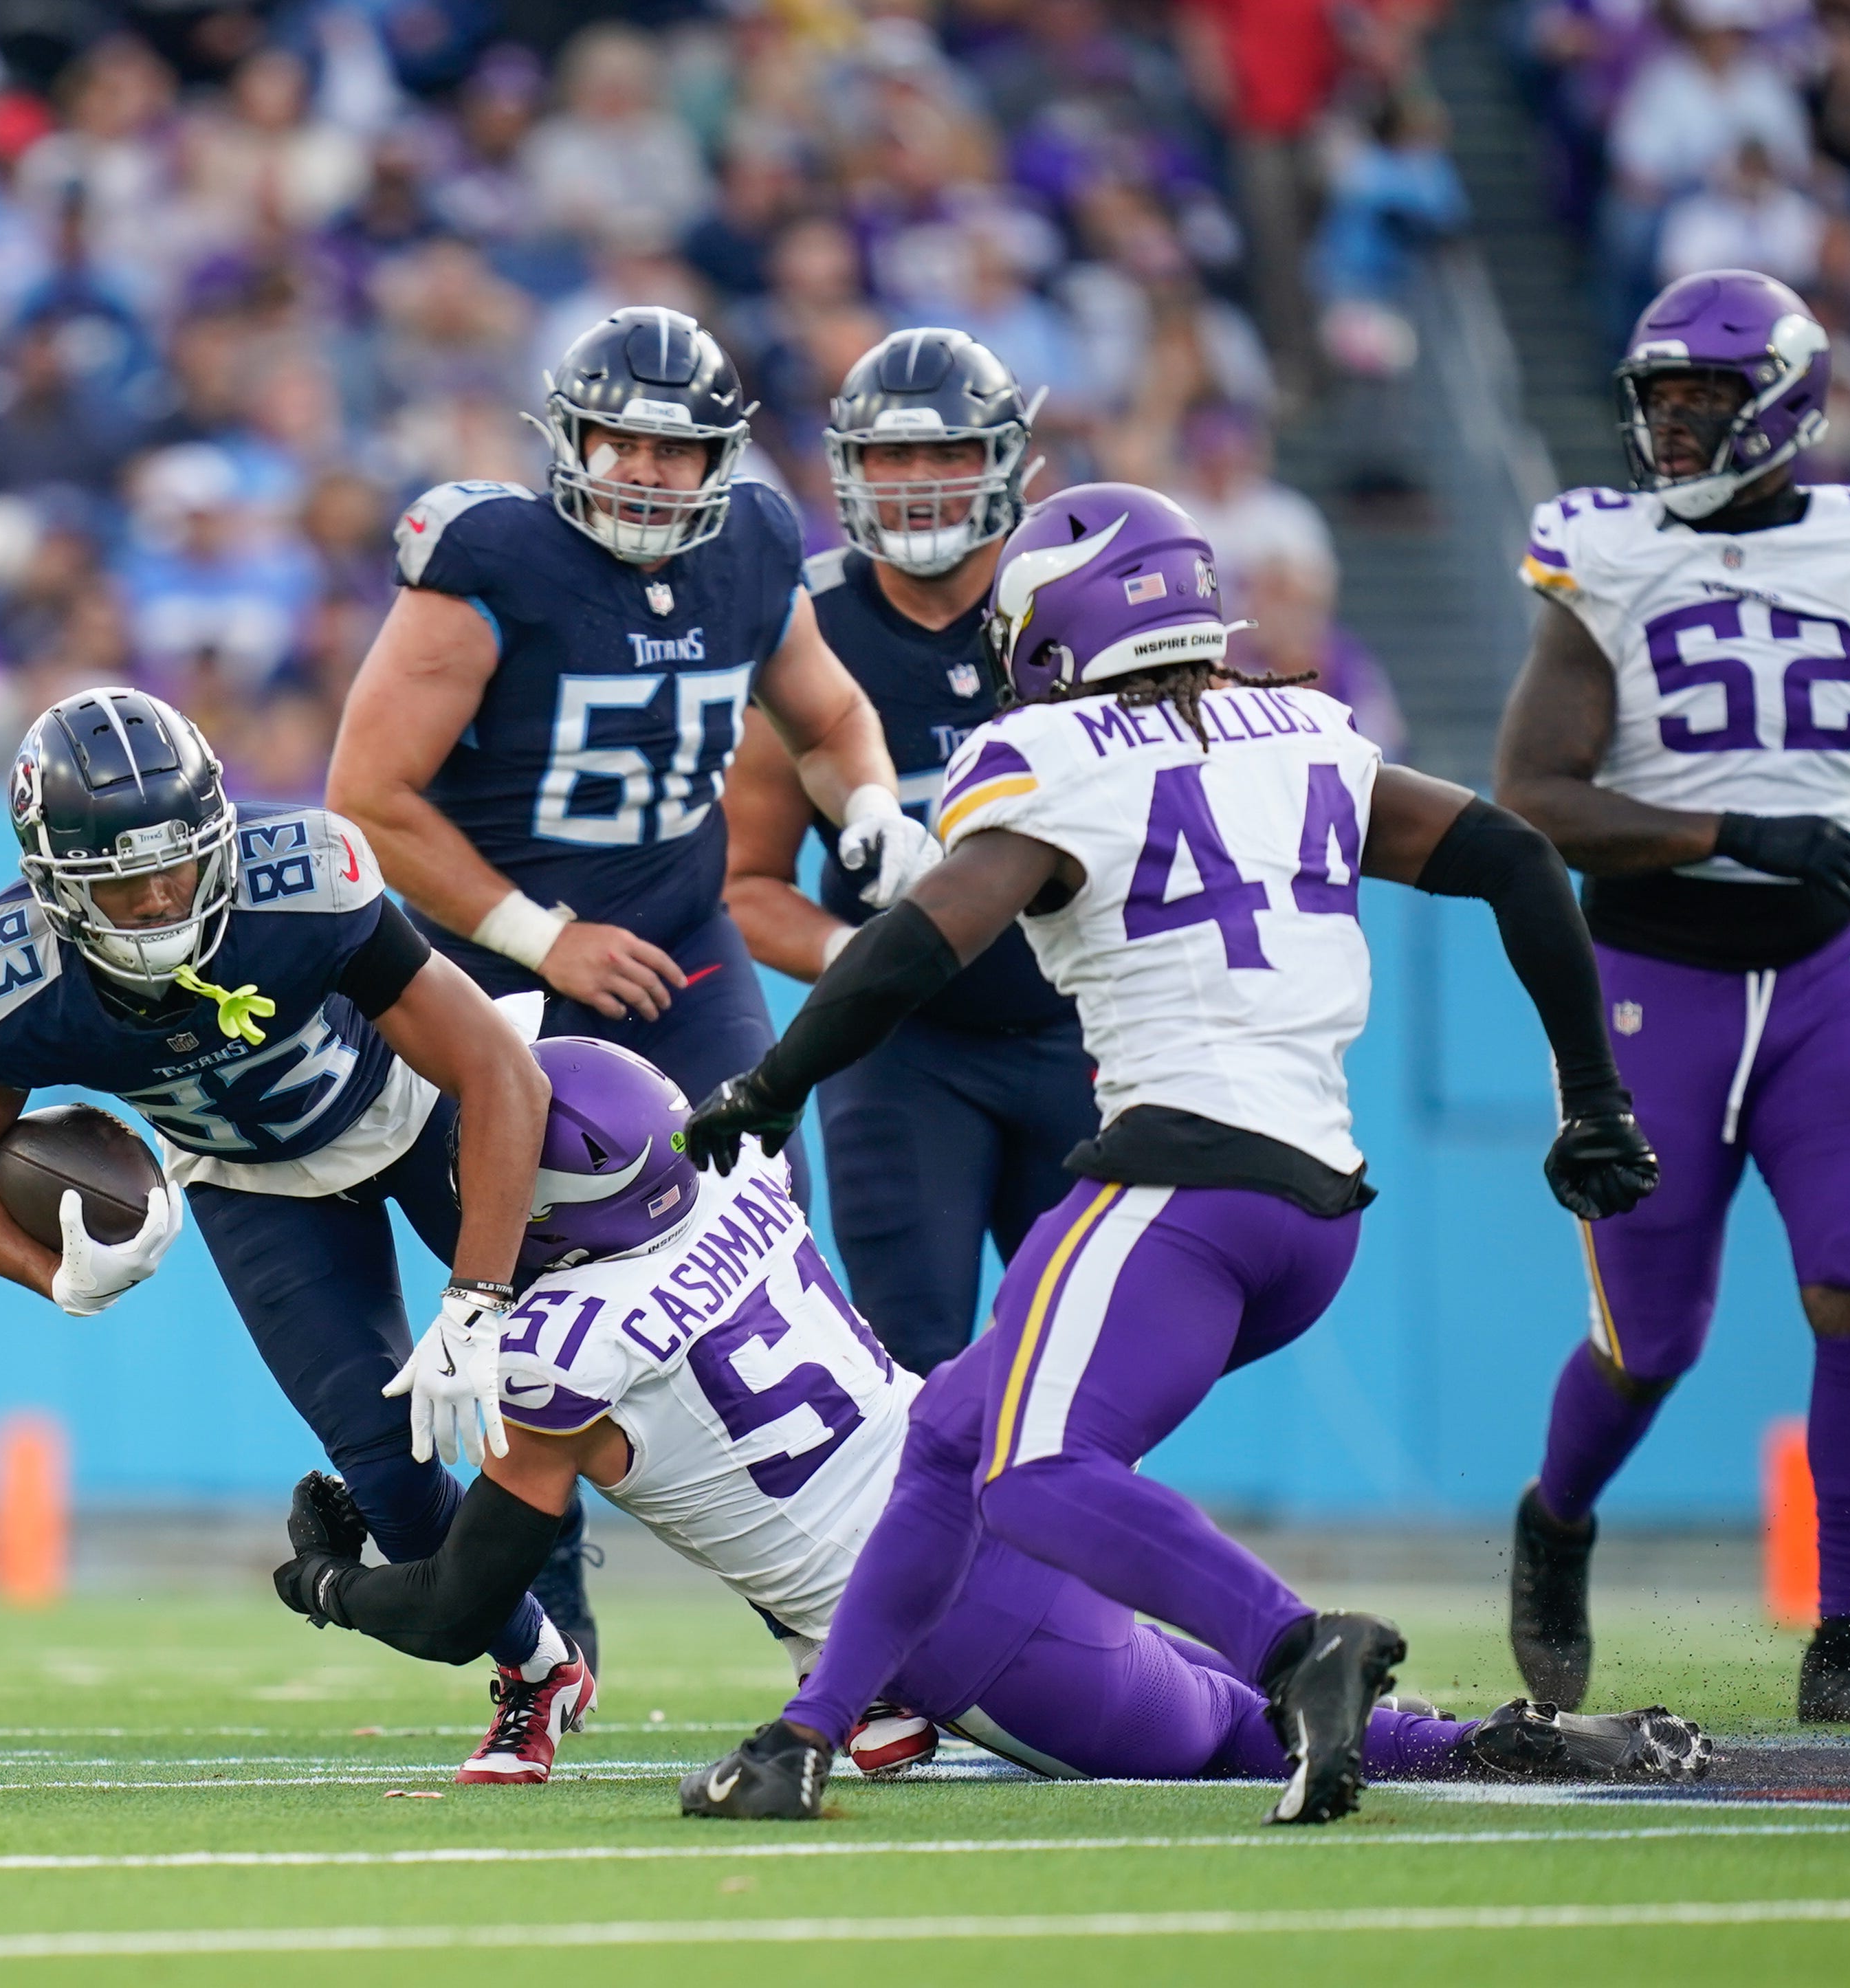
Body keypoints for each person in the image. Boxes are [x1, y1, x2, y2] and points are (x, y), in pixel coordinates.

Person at [679, 483, 1659, 1822]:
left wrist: (773, 1083)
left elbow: (918, 940)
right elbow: (1518, 857)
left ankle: (1293, 1645)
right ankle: (806, 1733)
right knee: (947, 1440)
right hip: (1310, 1207)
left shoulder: (1051, 756)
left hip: (1176, 1188)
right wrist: (1591, 1097)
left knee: (1031, 1471)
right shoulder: (1306, 727)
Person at [269, 1039, 1708, 1804]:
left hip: (950, 1620)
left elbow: (467, 1605)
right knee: (1251, 1707)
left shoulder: (566, 1355)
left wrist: (327, 1584)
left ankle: (1537, 1752)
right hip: (976, 1480)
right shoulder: (737, 1183)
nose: (485, 1188)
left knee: (1244, 1747)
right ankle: (1525, 1737)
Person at [1495, 269, 1850, 1725]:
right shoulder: (1601, 553)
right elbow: (1535, 795)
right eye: (1658, 403)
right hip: (1652, 980)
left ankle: (1847, 1651)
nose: (1672, 431)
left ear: (1782, 409)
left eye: (1701, 402)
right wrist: (1725, 829)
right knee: (1652, 1341)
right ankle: (1553, 1523)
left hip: (1829, 975)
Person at [325, 306, 934, 1611]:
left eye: (676, 451)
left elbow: (826, 716)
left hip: (678, 944)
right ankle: (547, 1623)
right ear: (571, 439)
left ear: (721, 458)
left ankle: (842, 1606)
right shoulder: (493, 562)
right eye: (621, 443)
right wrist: (545, 938)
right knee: (517, 1307)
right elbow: (367, 798)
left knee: (772, 1245)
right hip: (490, 971)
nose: (648, 474)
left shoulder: (757, 545)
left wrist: (873, 800)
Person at [0, 687, 589, 1782]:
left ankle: (829, 1637)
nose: (159, 891)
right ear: (52, 889)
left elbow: (496, 1068)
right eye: (118, 878)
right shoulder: (15, 986)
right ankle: (538, 1672)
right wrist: (53, 1276)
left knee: (607, 1379)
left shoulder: (303, 884)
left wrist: (477, 1298)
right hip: (253, 1180)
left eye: (175, 859)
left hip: (418, 1114)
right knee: (391, 1476)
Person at [720, 329, 1095, 1374]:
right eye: (891, 456)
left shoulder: (1080, 608)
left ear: (1010, 464)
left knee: (1082, 1369)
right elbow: (744, 884)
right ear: (848, 466)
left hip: (1089, 1027)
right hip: (905, 1048)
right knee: (911, 1364)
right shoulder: (807, 623)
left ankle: (1068, 1544)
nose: (918, 482)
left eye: (946, 454)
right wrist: (866, 961)